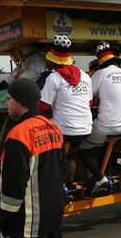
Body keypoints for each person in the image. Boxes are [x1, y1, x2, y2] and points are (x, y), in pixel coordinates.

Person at [0, 78, 66, 238]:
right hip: (53, 217)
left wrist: (2, 219)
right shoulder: (53, 127)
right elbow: (63, 170)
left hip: (28, 223)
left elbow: (13, 184)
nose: (6, 102)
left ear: (20, 102)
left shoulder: (18, 134)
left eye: (9, 98)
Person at [79, 42, 121, 197]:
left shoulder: (99, 74)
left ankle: (99, 178)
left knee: (83, 149)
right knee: (112, 132)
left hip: (107, 126)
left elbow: (88, 98)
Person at [39, 35, 93, 184]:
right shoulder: (86, 76)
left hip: (64, 131)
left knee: (52, 154)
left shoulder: (53, 78)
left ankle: (59, 185)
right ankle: (68, 185)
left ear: (51, 61)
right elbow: (89, 103)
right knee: (69, 156)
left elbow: (43, 107)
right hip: (85, 129)